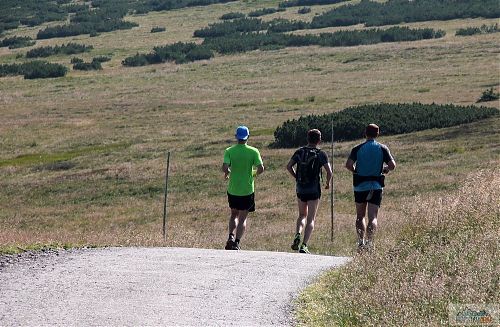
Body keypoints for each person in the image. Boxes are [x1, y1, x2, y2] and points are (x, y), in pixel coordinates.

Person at [344, 124, 396, 252]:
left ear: (365, 133)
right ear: (377, 134)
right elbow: (392, 165)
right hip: (376, 186)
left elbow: (349, 164)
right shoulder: (382, 148)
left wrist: (356, 171)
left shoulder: (357, 148)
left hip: (360, 186)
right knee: (373, 217)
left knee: (360, 216)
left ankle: (360, 242)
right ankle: (370, 243)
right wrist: (385, 169)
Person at [286, 129, 332, 254]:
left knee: (302, 215)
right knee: (311, 219)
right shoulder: (321, 153)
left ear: (307, 139)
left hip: (301, 187)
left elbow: (288, 166)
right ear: (319, 140)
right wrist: (327, 184)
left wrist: (296, 177)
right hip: (314, 188)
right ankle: (304, 245)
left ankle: (297, 234)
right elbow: (329, 172)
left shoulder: (299, 151)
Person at [222, 126, 264, 250]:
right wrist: (253, 174)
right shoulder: (254, 151)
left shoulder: (229, 151)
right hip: (247, 190)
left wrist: (228, 172)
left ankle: (230, 236)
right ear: (248, 137)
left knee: (233, 215)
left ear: (236, 137)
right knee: (243, 218)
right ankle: (237, 242)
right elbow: (261, 168)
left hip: (233, 189)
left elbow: (224, 167)